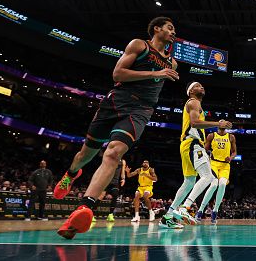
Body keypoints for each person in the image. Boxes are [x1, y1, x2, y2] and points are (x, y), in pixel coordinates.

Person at [54, 17, 179, 239]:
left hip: (140, 110)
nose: (173, 32)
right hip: (115, 101)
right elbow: (117, 74)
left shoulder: (172, 63)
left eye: (174, 29)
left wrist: (160, 74)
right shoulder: (139, 45)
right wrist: (155, 73)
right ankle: (71, 174)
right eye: (169, 27)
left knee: (113, 152)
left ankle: (84, 208)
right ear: (156, 29)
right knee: (85, 154)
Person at [160, 81, 232, 227]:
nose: (202, 87)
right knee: (208, 176)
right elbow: (194, 123)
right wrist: (218, 124)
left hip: (187, 145)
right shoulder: (193, 102)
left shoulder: (196, 104)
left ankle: (167, 217)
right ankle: (185, 207)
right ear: (191, 91)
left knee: (189, 183)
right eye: (198, 85)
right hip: (193, 143)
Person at [195, 123, 237, 224]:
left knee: (222, 184)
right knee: (214, 185)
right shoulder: (211, 135)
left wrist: (230, 158)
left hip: (225, 166)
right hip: (213, 164)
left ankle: (215, 211)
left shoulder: (231, 137)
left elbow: (234, 152)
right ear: (219, 125)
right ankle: (201, 210)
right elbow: (205, 150)